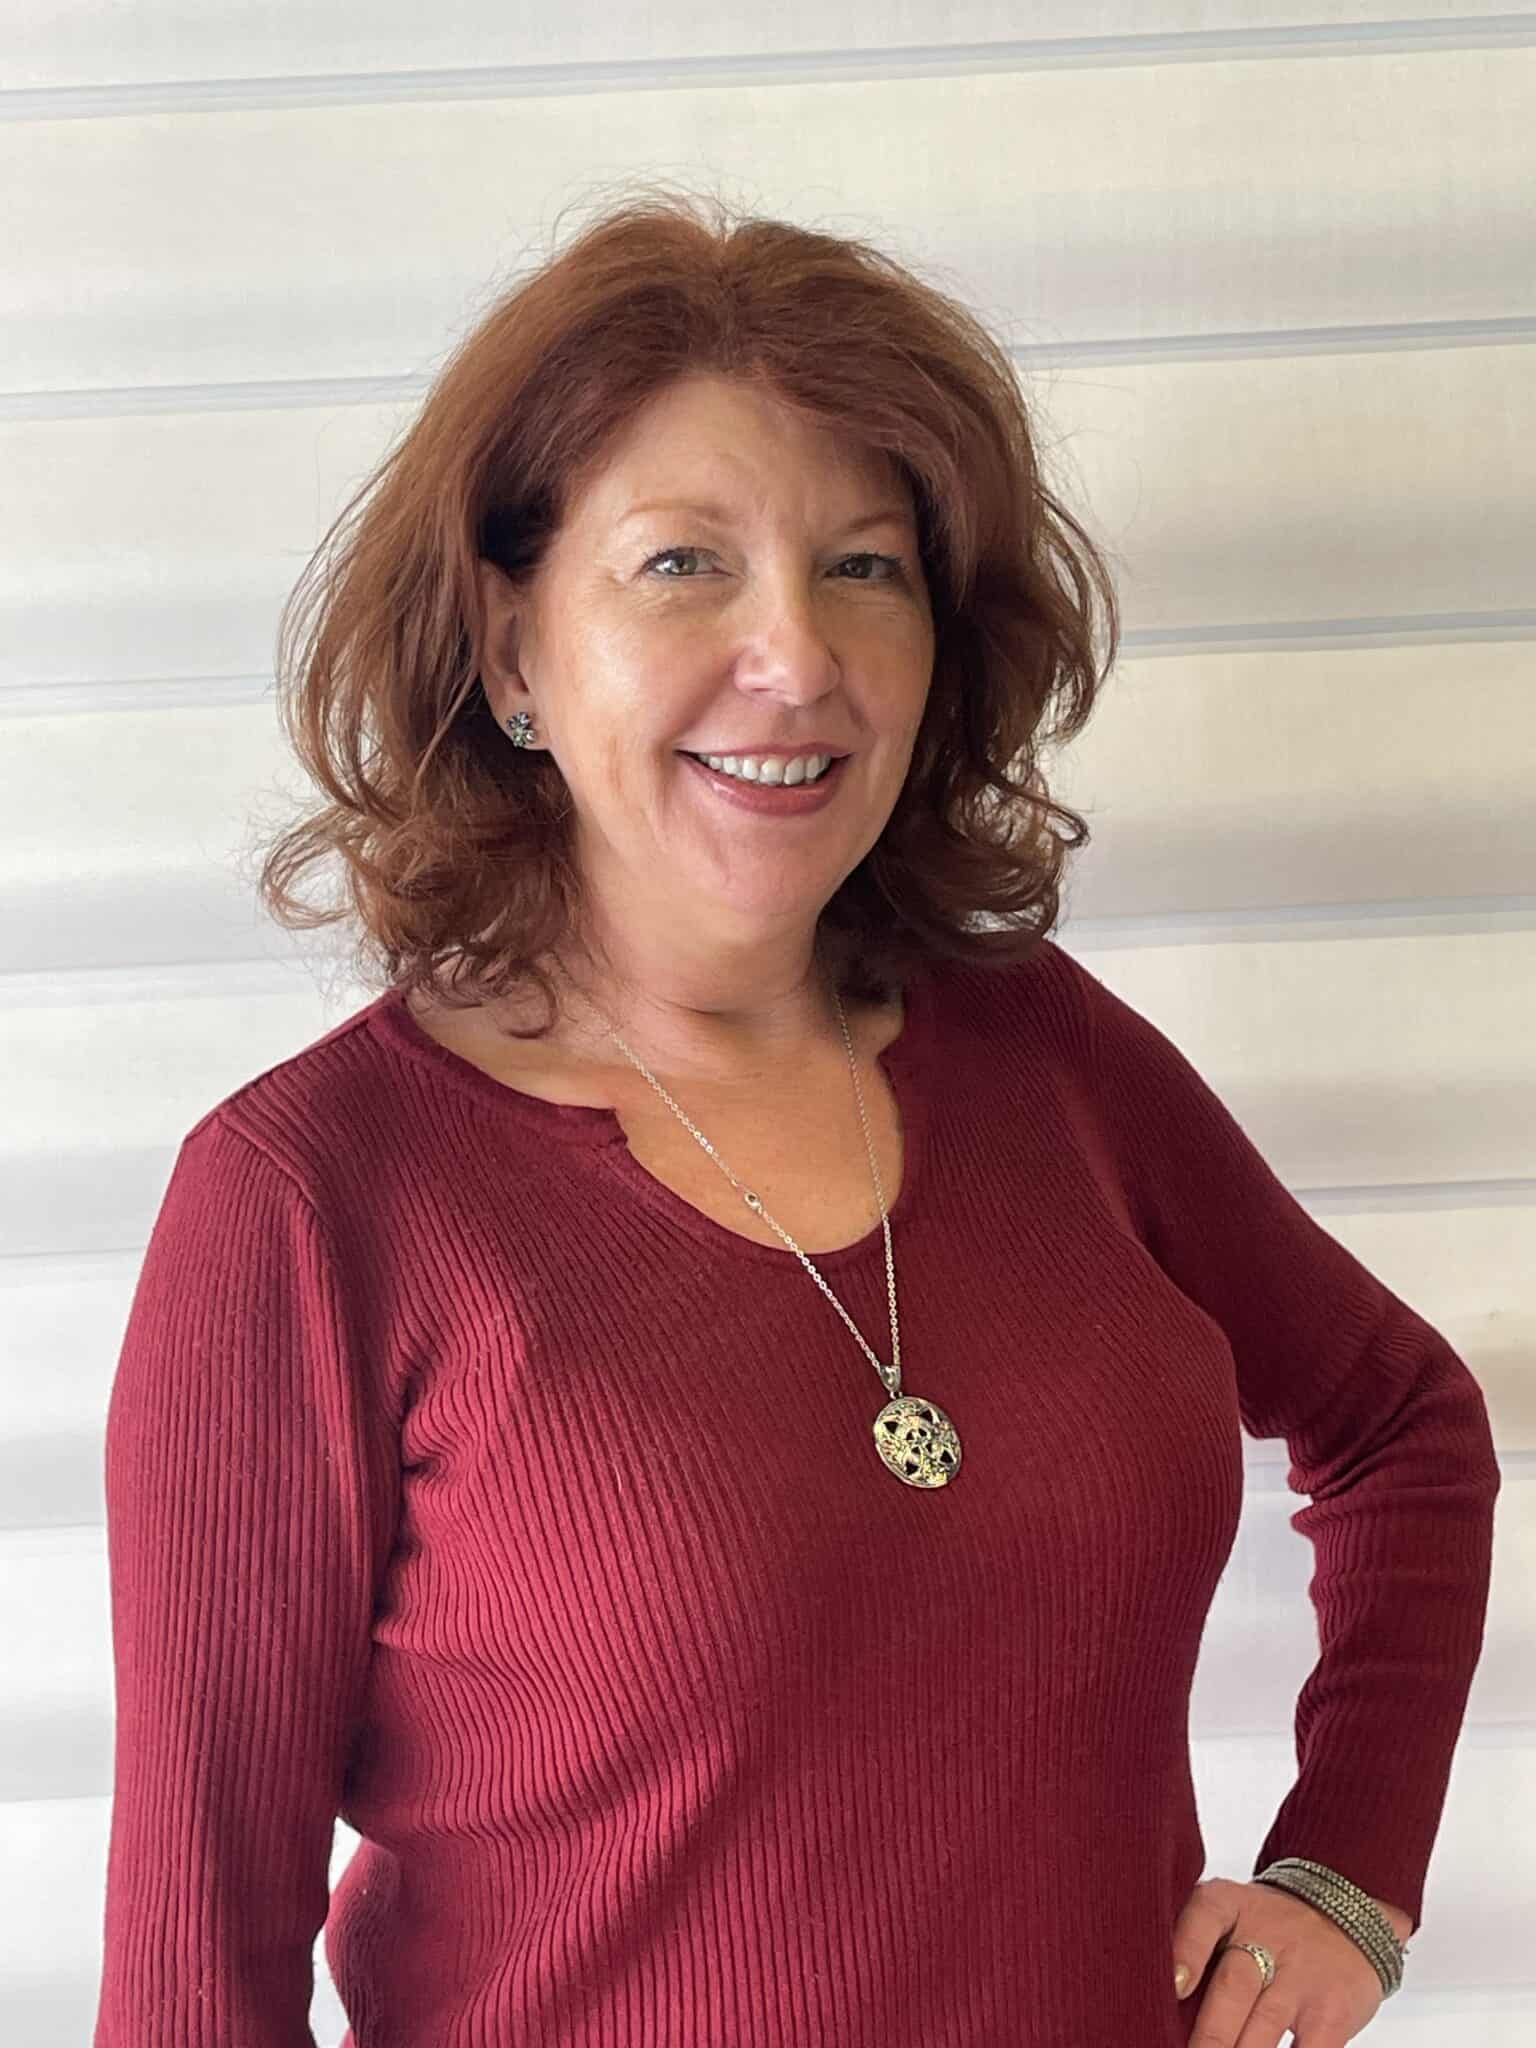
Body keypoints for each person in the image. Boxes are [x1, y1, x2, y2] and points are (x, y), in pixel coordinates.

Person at [94, 187, 1500, 2048]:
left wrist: (1348, 1871)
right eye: (685, 563)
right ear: (512, 652)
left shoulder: (1048, 1061)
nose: (800, 658)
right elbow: (196, 1980)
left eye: (867, 566)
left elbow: (1401, 1423)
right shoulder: (309, 1204)